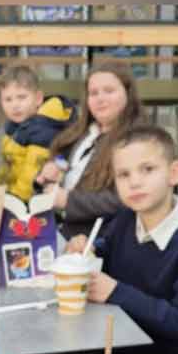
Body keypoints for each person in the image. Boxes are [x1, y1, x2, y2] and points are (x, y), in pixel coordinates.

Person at [65, 127, 178, 354]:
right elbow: (108, 248)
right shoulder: (125, 219)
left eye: (147, 169)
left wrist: (116, 292)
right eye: (123, 174)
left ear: (174, 173)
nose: (134, 182)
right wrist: (88, 248)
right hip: (113, 351)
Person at [35, 60, 145, 232]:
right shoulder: (81, 132)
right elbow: (62, 158)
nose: (100, 98)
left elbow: (126, 199)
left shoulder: (139, 141)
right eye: (93, 93)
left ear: (128, 94)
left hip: (99, 237)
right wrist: (53, 167)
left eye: (109, 91)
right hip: (57, 226)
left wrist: (69, 201)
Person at [0, 60, 74, 205]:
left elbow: (30, 175)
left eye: (21, 97)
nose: (15, 105)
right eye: (8, 99)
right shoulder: (15, 124)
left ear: (38, 98)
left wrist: (12, 199)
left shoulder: (42, 129)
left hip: (35, 202)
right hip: (14, 193)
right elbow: (8, 163)